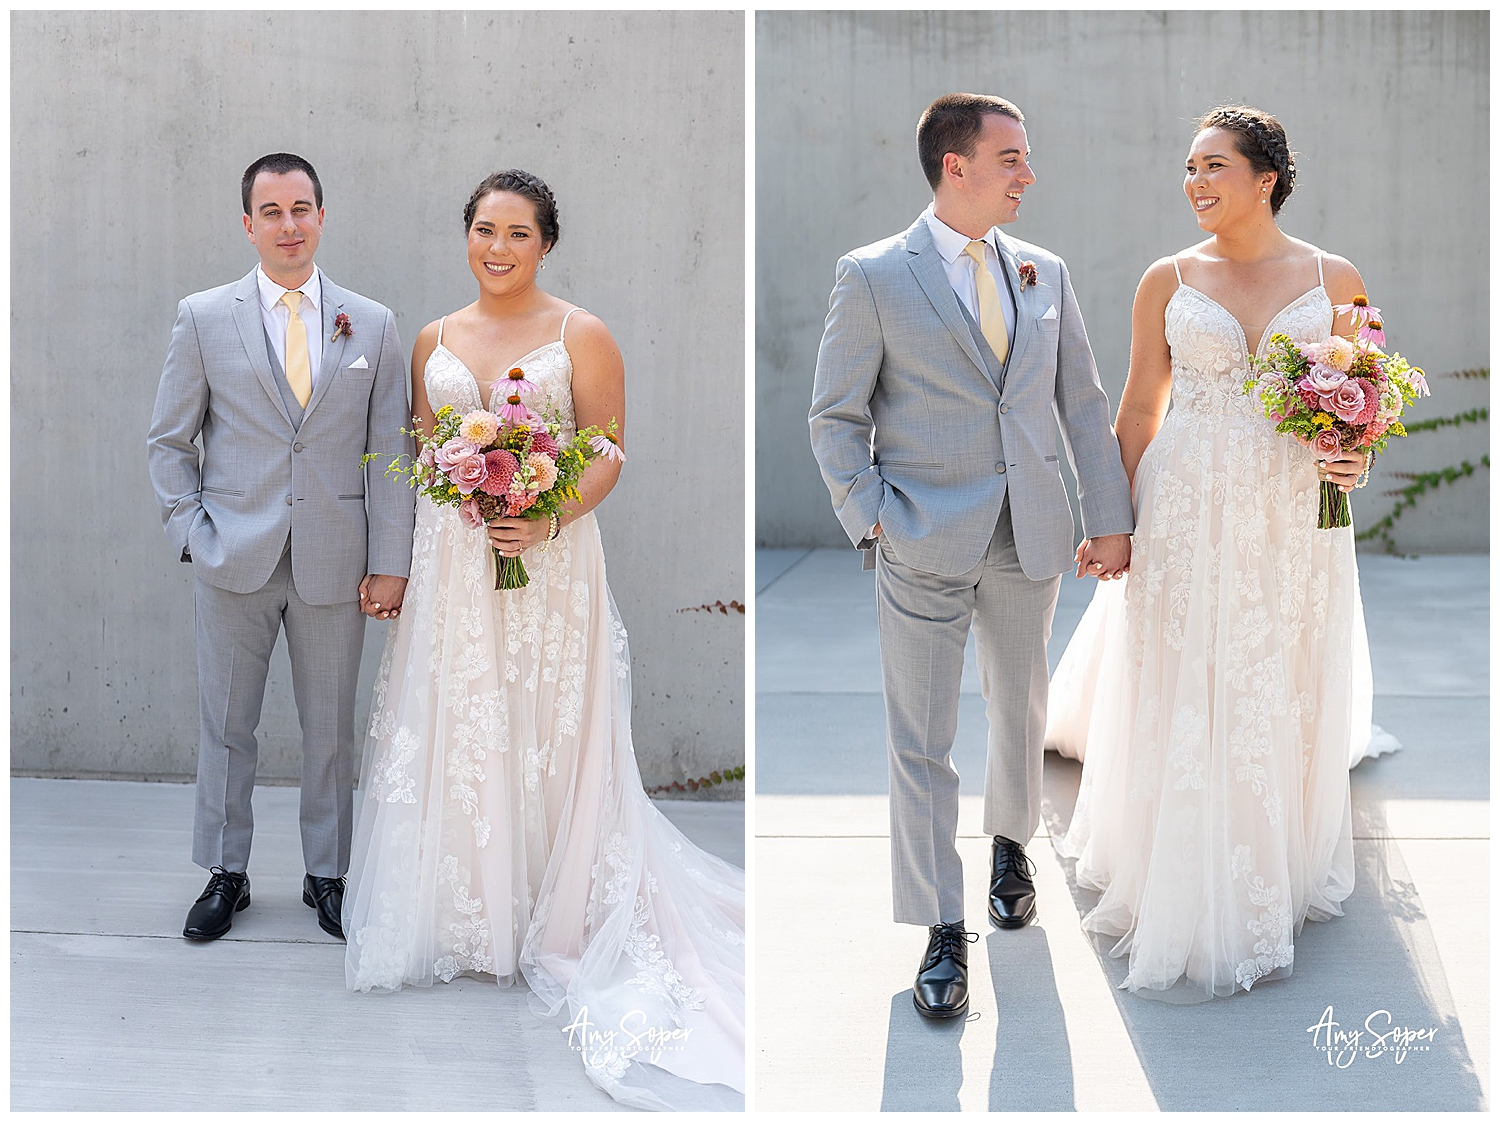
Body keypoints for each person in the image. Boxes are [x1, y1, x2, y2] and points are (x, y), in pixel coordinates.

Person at [342, 170, 745, 1110]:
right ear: (468, 236)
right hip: (456, 562)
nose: (497, 247)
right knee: (463, 716)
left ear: (546, 242)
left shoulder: (580, 333)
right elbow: (422, 453)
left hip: (550, 555)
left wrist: (547, 517)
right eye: (484, 229)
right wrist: (435, 528)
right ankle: (469, 915)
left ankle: (555, 910)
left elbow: (605, 448)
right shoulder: (434, 340)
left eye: (517, 232)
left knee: (550, 721)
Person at [1048, 105, 1399, 1002]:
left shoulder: (1336, 275)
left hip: (1294, 506)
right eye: (1190, 171)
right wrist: (1111, 518)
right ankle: (1182, 852)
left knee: (1280, 666)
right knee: (1183, 670)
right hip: (1186, 500)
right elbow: (1136, 409)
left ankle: (1272, 849)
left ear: (1266, 176)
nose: (1196, 184)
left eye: (1213, 167)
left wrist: (1354, 452)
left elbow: (1365, 398)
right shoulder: (1167, 279)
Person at [808, 94, 1135, 1020]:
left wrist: (1108, 519)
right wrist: (872, 515)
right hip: (920, 533)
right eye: (1012, 158)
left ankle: (1009, 842)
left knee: (1020, 706)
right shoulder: (873, 275)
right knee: (920, 738)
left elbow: (1082, 404)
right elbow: (836, 415)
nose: (1028, 173)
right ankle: (940, 927)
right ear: (957, 166)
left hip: (1029, 532)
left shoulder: (1044, 270)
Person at [147, 152, 415, 943]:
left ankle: (326, 875)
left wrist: (391, 558)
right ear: (248, 224)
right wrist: (191, 534)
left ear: (322, 217)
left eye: (302, 209)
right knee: (227, 724)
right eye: (272, 211)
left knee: (329, 726)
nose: (288, 225)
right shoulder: (203, 317)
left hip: (338, 559)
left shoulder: (371, 323)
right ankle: (225, 873)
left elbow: (391, 449)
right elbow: (170, 440)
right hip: (234, 554)